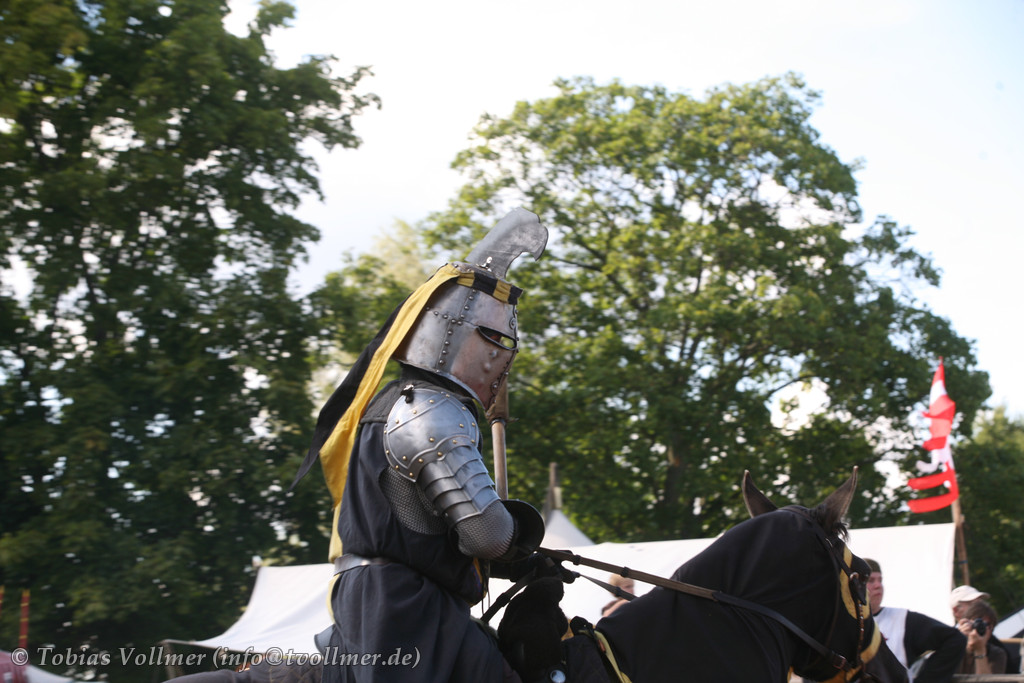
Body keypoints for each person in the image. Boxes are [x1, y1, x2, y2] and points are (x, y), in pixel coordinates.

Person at [290, 209, 551, 683]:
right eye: (497, 341)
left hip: (382, 601)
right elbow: (487, 536)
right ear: (470, 341)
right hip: (406, 612)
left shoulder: (393, 402)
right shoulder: (431, 410)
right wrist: (520, 543)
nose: (501, 359)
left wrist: (509, 561)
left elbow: (429, 529)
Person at [865, 558, 966, 683]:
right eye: (870, 580)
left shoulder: (902, 619)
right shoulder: (845, 626)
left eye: (880, 580)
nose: (878, 586)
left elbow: (955, 639)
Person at [950, 584, 1021, 672]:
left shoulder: (995, 648)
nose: (979, 607)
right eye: (973, 604)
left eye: (981, 602)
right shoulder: (947, 640)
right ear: (956, 610)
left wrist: (980, 650)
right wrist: (957, 642)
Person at [956, 599, 1007, 674]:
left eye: (987, 625)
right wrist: (956, 638)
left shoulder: (996, 653)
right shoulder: (952, 647)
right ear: (965, 623)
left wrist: (980, 650)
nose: (981, 628)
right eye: (977, 623)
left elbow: (987, 679)